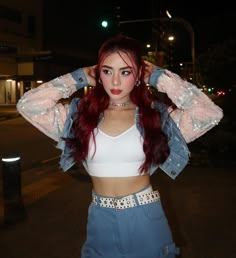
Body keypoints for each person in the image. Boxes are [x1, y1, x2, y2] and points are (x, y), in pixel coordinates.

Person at [17, 34, 223, 258]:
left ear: (138, 76)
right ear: (98, 74)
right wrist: (78, 78)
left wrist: (158, 77)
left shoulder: (157, 118)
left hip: (145, 217)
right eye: (107, 71)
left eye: (125, 72)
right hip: (99, 218)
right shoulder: (79, 117)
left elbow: (210, 114)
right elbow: (29, 105)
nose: (115, 81)